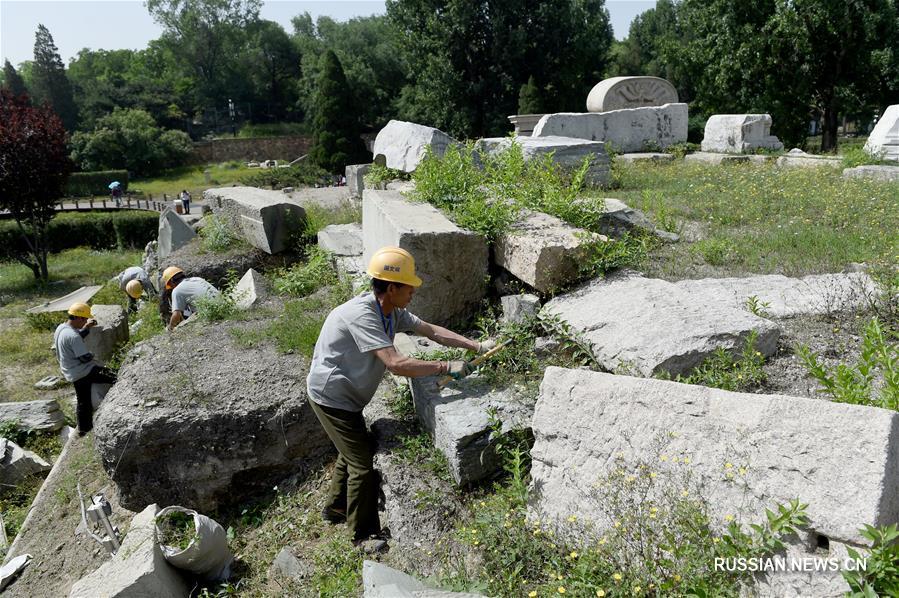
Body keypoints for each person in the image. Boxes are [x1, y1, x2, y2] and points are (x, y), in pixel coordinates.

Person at [306, 246, 496, 549]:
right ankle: (363, 535)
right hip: (331, 398)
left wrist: (475, 345)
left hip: (349, 396)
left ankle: (336, 507)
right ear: (392, 287)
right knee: (361, 463)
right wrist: (446, 366)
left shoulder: (391, 312)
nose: (413, 292)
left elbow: (431, 330)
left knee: (353, 447)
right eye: (409, 287)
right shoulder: (363, 315)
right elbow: (395, 364)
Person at [53, 303, 117, 436]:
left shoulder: (62, 328)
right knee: (115, 376)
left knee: (83, 401)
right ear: (78, 318)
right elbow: (84, 358)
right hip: (84, 371)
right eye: (84, 320)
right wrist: (92, 355)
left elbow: (74, 339)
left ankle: (83, 430)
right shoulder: (73, 336)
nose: (85, 322)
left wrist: (87, 328)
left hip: (71, 371)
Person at [161, 266, 220, 331]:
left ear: (172, 281)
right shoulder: (197, 279)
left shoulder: (177, 290)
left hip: (210, 313)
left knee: (181, 328)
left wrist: (170, 327)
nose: (171, 287)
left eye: (170, 285)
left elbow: (176, 315)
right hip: (223, 306)